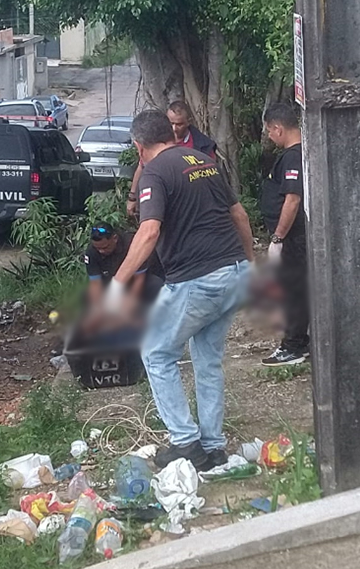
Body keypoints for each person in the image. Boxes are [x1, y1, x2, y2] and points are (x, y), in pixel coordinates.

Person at [110, 110, 254, 471]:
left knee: (156, 353)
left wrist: (117, 283)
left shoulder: (155, 172)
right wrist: (248, 264)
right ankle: (213, 447)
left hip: (198, 279)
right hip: (232, 273)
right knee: (207, 360)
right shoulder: (202, 160)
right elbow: (240, 216)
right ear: (169, 134)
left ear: (139, 146)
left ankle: (185, 442)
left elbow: (149, 232)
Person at [260, 103, 309, 366]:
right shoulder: (298, 153)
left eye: (269, 131)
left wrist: (278, 238)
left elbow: (292, 200)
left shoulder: (293, 156)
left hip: (293, 237)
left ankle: (293, 347)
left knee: (293, 291)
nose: (269, 136)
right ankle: (299, 341)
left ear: (278, 128)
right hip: (292, 236)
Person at [126, 100, 218, 218]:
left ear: (188, 122)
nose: (174, 128)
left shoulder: (203, 146)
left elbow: (212, 177)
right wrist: (132, 196)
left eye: (179, 124)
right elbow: (142, 166)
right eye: (171, 123)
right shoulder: (156, 142)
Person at [85, 222, 162, 307]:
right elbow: (95, 283)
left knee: (155, 284)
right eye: (98, 248)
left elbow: (139, 279)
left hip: (137, 281)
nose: (101, 251)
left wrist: (128, 305)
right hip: (111, 283)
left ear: (115, 238)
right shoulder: (91, 251)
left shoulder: (131, 244)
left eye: (105, 247)